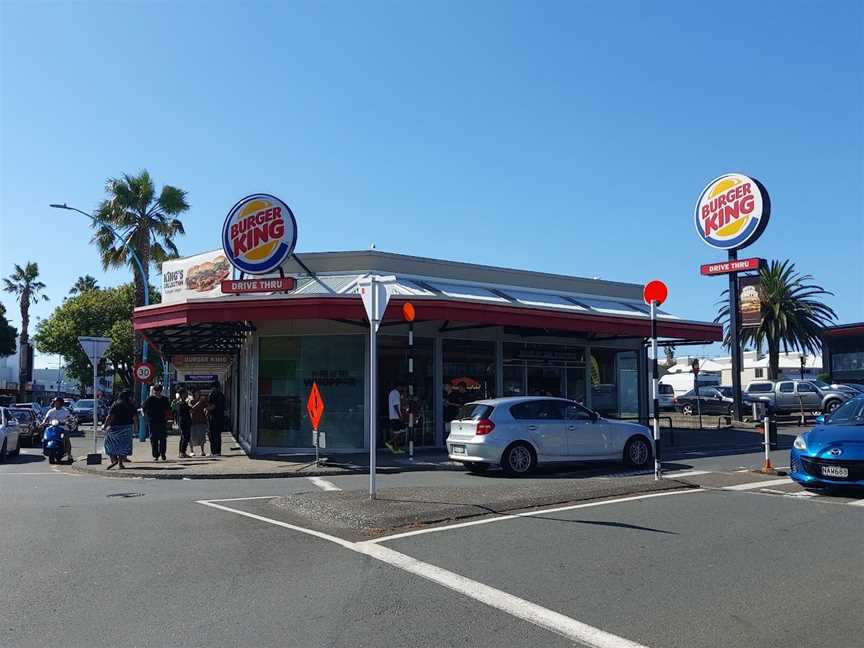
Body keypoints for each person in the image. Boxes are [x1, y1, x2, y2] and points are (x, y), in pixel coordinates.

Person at [103, 390, 137, 470]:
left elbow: (110, 416)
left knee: (110, 444)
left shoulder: (116, 404)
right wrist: (135, 428)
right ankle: (121, 463)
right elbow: (135, 418)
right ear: (128, 397)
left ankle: (114, 460)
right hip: (127, 428)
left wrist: (105, 426)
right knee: (123, 446)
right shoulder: (131, 405)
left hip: (115, 428)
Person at [143, 385, 171, 461]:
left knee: (163, 438)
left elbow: (168, 410)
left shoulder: (165, 399)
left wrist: (168, 418)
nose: (156, 392)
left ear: (160, 391)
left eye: (158, 391)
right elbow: (144, 408)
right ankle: (155, 454)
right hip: (152, 421)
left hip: (162, 421)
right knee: (153, 438)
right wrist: (145, 416)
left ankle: (163, 453)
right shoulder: (150, 399)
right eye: (155, 391)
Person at [41, 396, 73, 461]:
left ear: (61, 403)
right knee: (45, 437)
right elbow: (46, 418)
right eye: (55, 403)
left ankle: (69, 455)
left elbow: (69, 418)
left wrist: (67, 422)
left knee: (66, 439)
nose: (56, 404)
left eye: (58, 403)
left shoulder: (65, 411)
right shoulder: (51, 411)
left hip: (63, 428)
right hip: (52, 428)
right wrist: (43, 422)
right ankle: (45, 448)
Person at [206, 381, 226, 456]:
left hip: (213, 418)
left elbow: (212, 406)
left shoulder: (212, 393)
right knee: (218, 435)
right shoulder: (222, 395)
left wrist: (206, 409)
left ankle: (214, 452)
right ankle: (218, 451)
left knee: (212, 435)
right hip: (221, 418)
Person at [385, 384, 405, 454]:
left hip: (392, 416)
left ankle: (396, 449)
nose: (402, 389)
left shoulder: (391, 393)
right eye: (402, 387)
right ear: (399, 386)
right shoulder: (395, 393)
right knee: (402, 431)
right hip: (395, 416)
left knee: (396, 432)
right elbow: (396, 405)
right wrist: (400, 416)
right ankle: (389, 442)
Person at [189, 389, 209, 457]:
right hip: (193, 421)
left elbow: (207, 407)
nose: (197, 394)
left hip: (202, 421)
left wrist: (206, 410)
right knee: (192, 436)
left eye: (198, 393)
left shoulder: (203, 401)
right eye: (196, 393)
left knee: (202, 437)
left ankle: (202, 451)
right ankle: (191, 451)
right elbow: (191, 410)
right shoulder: (191, 401)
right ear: (194, 394)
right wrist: (198, 403)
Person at [174, 388, 192, 458]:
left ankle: (182, 452)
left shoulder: (183, 402)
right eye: (185, 393)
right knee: (185, 437)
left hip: (185, 421)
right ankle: (182, 452)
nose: (187, 394)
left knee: (183, 437)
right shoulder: (181, 403)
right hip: (184, 422)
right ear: (182, 394)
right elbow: (191, 410)